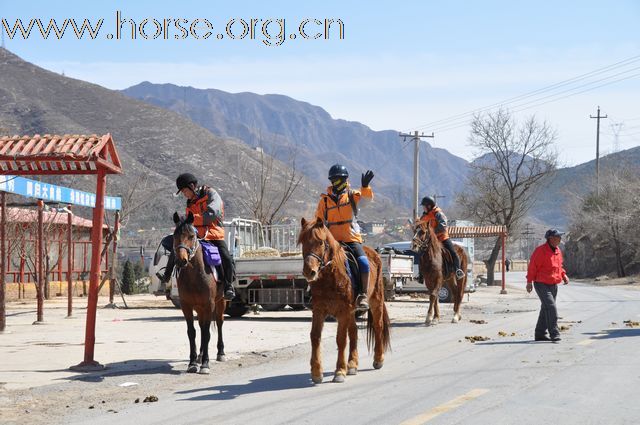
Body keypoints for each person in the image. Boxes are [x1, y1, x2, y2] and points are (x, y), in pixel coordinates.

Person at [157, 173, 236, 301]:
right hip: (196, 235)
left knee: (226, 257)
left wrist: (191, 220)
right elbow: (189, 222)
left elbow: (212, 214)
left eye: (184, 190)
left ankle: (228, 286)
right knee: (177, 245)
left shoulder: (211, 194)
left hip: (213, 234)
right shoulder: (190, 203)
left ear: (192, 186)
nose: (184, 194)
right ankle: (166, 275)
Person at [315, 164, 374, 311]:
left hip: (351, 238)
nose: (335, 182)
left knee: (364, 263)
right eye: (333, 180)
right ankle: (315, 293)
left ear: (344, 180)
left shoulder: (353, 195)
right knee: (317, 262)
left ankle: (362, 295)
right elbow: (319, 220)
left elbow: (367, 202)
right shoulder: (325, 201)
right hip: (333, 241)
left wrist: (365, 187)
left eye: (337, 179)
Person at [526, 229, 569, 342]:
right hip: (541, 283)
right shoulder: (540, 251)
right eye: (557, 237)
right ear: (550, 239)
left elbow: (559, 266)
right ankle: (554, 333)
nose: (559, 239)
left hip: (553, 284)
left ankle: (539, 333)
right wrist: (529, 282)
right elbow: (532, 267)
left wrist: (564, 275)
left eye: (560, 237)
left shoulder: (558, 251)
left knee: (546, 308)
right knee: (551, 307)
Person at [418, 196, 465, 280]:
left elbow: (443, 227)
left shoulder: (438, 214)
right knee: (421, 253)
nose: (423, 208)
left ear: (429, 206)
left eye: (424, 206)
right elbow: (420, 226)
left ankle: (458, 270)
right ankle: (421, 275)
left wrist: (432, 233)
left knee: (453, 252)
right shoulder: (424, 216)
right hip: (429, 241)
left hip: (442, 238)